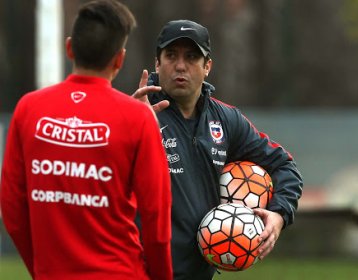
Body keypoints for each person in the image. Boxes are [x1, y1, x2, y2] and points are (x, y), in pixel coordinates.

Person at [0, 1, 173, 279]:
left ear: (69, 48)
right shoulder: (138, 118)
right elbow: (156, 219)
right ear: (119, 59)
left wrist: (42, 269)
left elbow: (12, 210)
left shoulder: (28, 109)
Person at [133, 19, 303, 280]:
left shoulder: (225, 120)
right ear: (157, 63)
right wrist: (130, 127)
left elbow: (284, 166)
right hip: (140, 271)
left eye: (191, 57)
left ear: (207, 66)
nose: (180, 65)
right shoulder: (133, 113)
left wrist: (279, 214)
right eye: (171, 56)